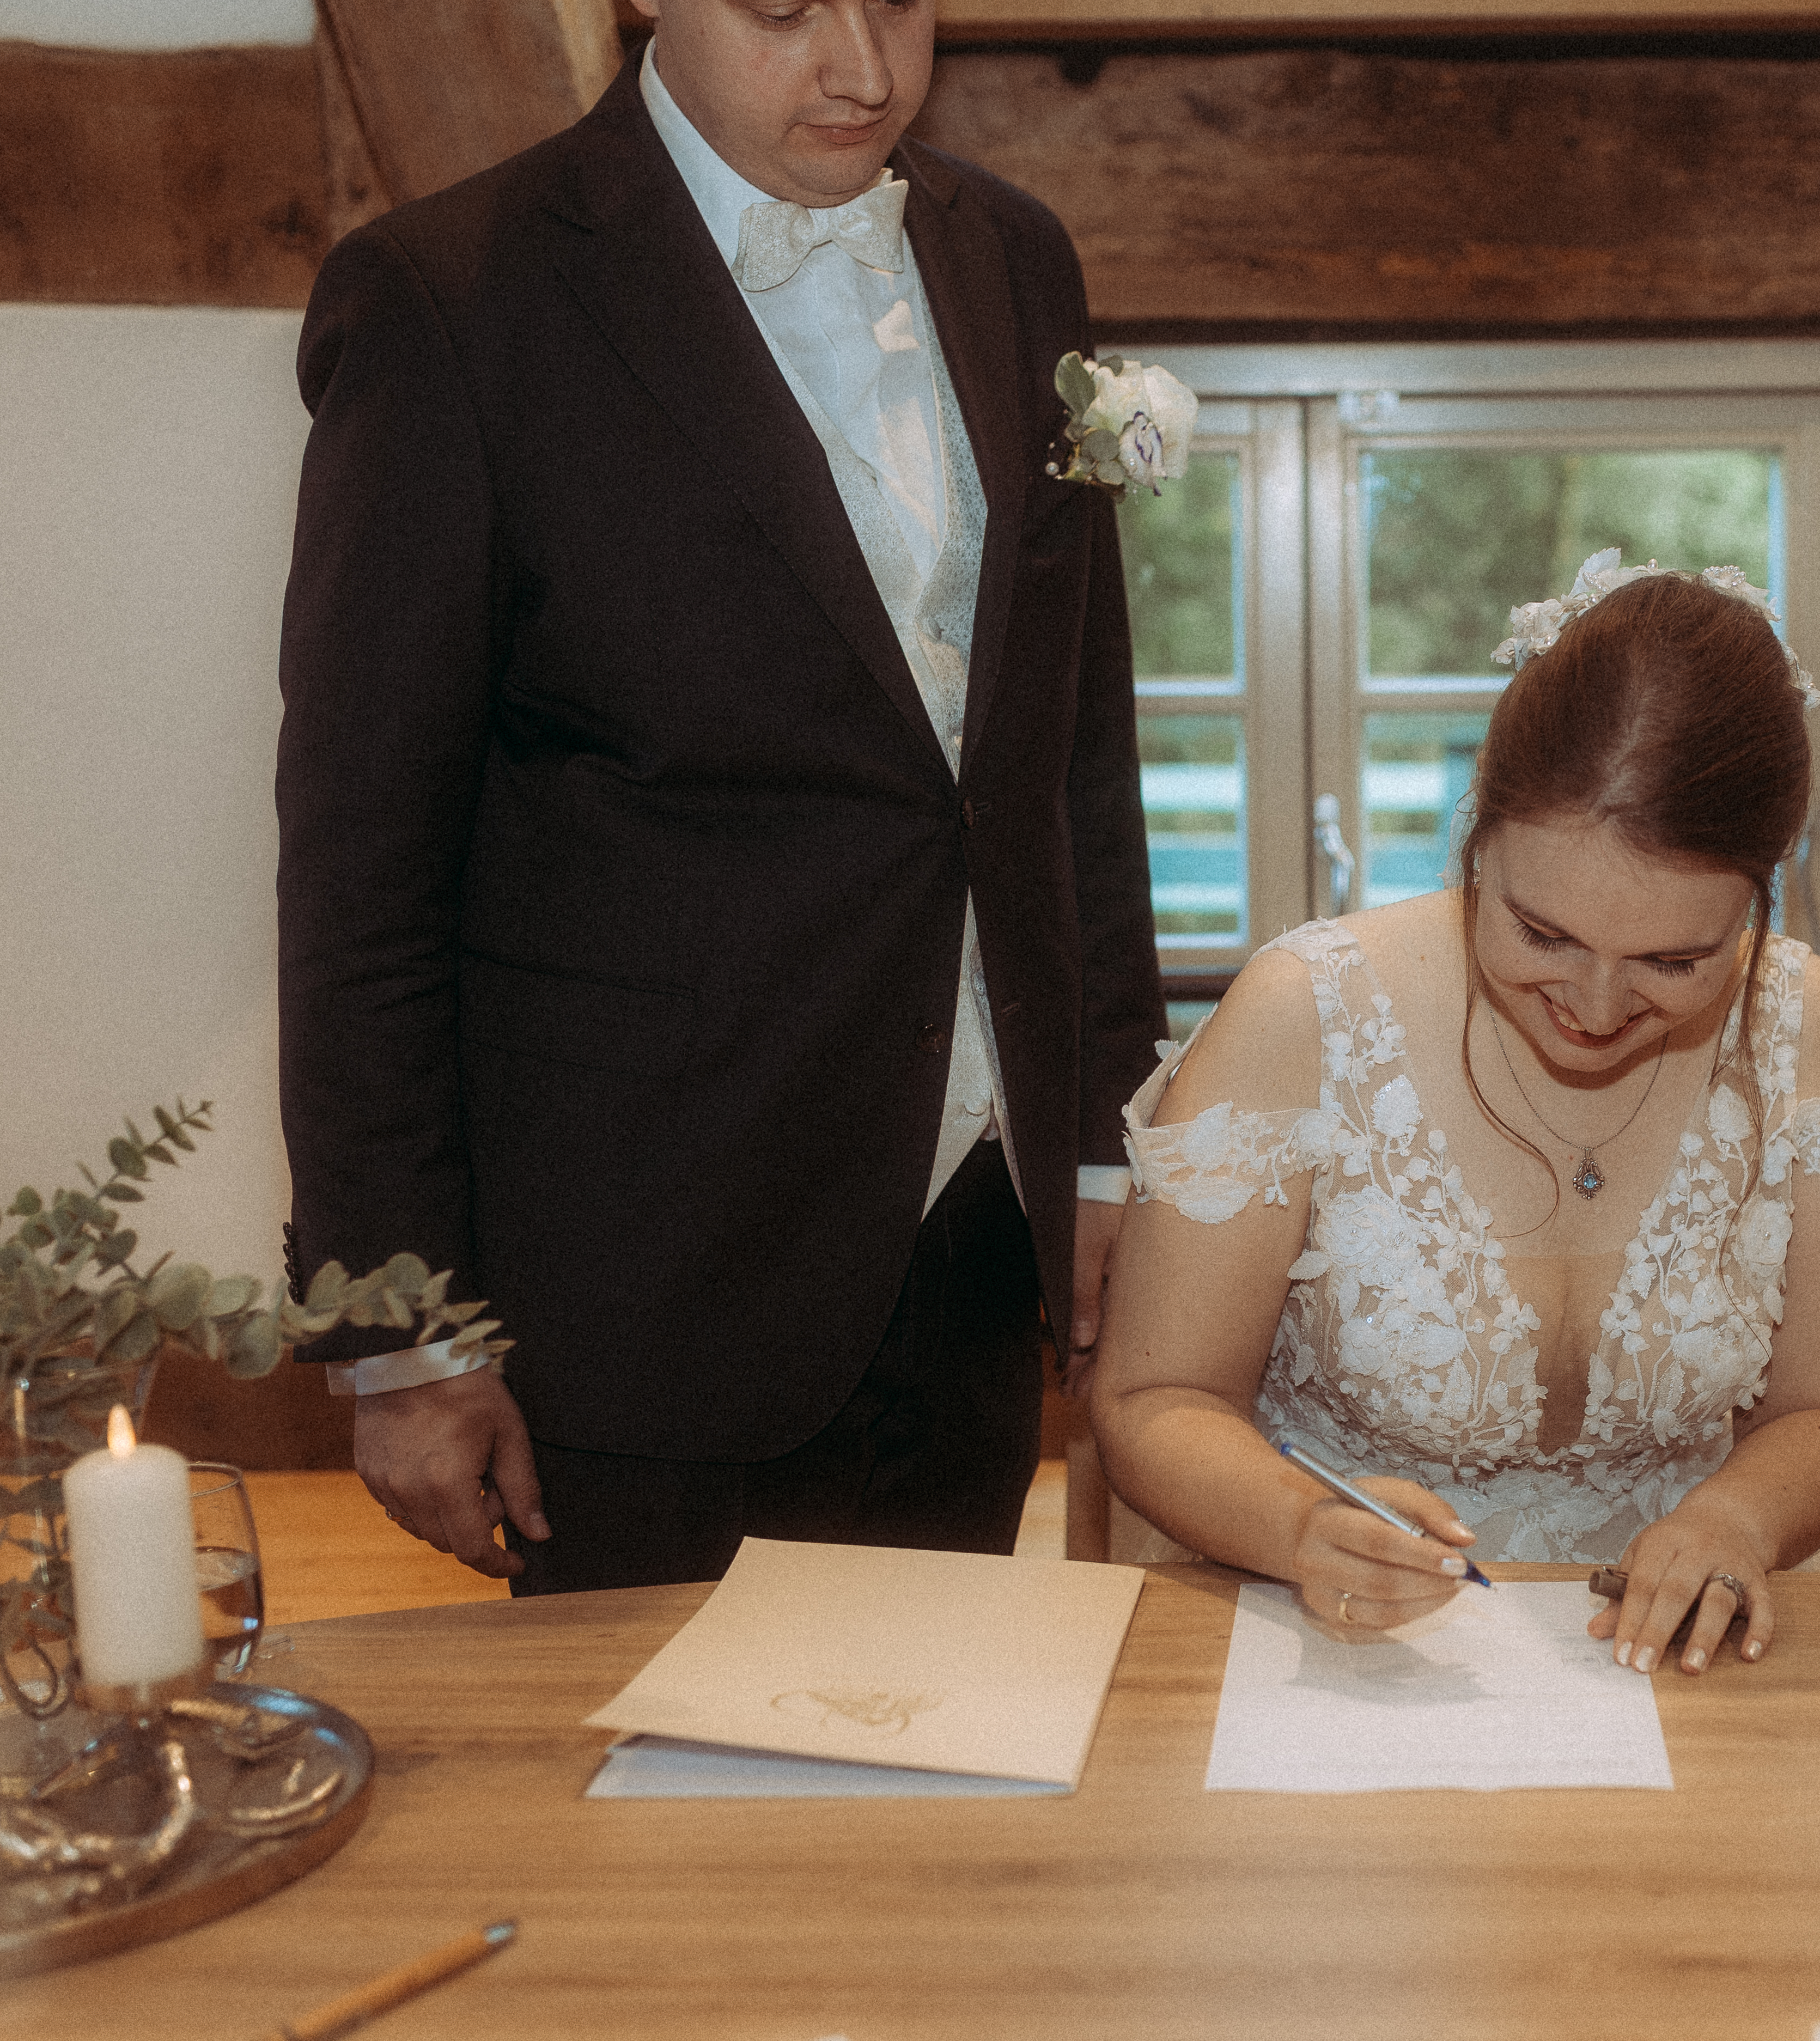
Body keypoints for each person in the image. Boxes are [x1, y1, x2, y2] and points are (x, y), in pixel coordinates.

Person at [275, 0, 1162, 1592]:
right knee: (660, 1835)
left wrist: (1098, 1144)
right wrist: (401, 1332)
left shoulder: (1013, 255)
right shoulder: (451, 299)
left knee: (937, 1795)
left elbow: (1071, 753)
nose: (861, 70)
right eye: (779, 9)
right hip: (635, 1289)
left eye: (895, 2)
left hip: (967, 1241)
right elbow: (362, 873)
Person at [1090, 556, 1820, 1676]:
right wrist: (1296, 1522)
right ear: (1475, 839)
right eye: (1542, 935)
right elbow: (1156, 1394)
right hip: (1326, 1621)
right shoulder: (1306, 1013)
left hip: (1675, 1639)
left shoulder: (1803, 1025)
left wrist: (1738, 1516)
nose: (1593, 1006)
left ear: (1756, 897)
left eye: (1673, 960)